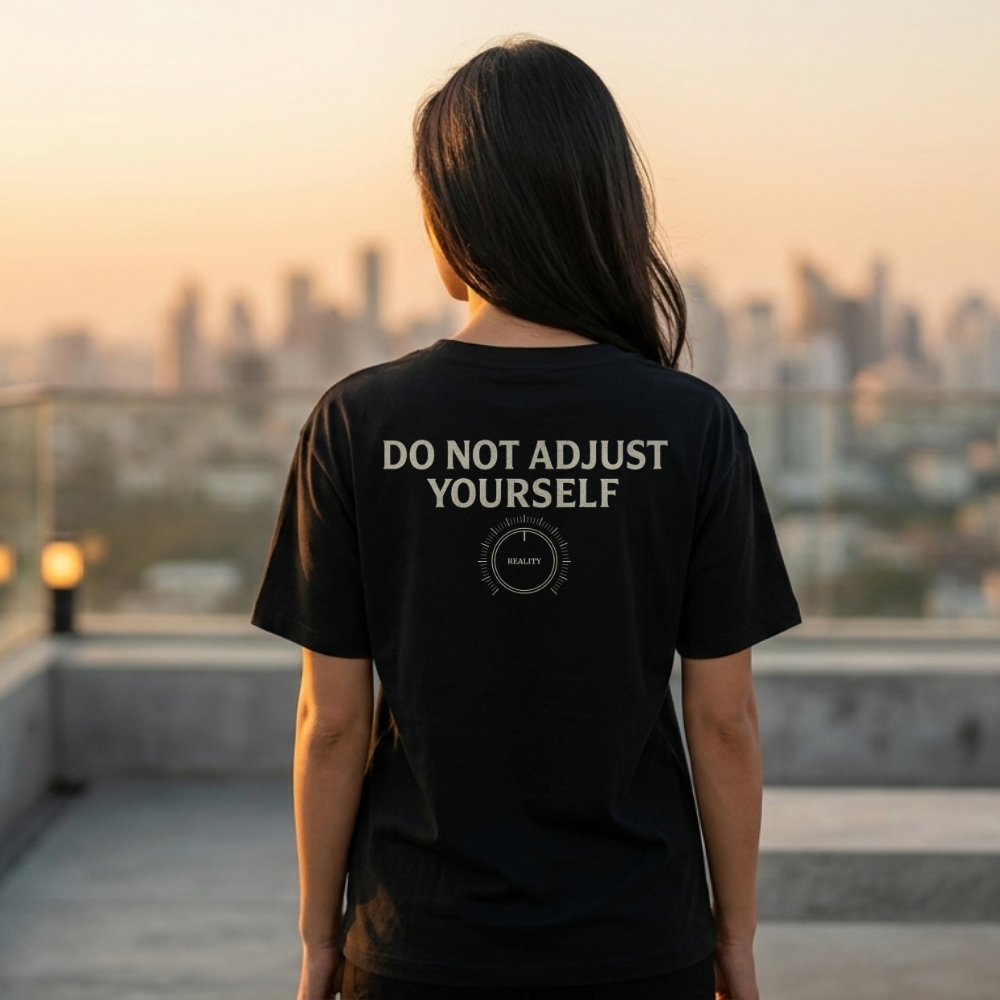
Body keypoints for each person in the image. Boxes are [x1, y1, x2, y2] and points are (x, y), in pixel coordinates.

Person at [252, 38, 801, 1000]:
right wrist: (737, 939)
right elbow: (724, 720)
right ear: (603, 204)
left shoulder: (357, 423)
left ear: (448, 213)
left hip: (416, 942)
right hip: (640, 941)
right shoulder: (692, 425)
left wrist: (317, 942)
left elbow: (331, 723)